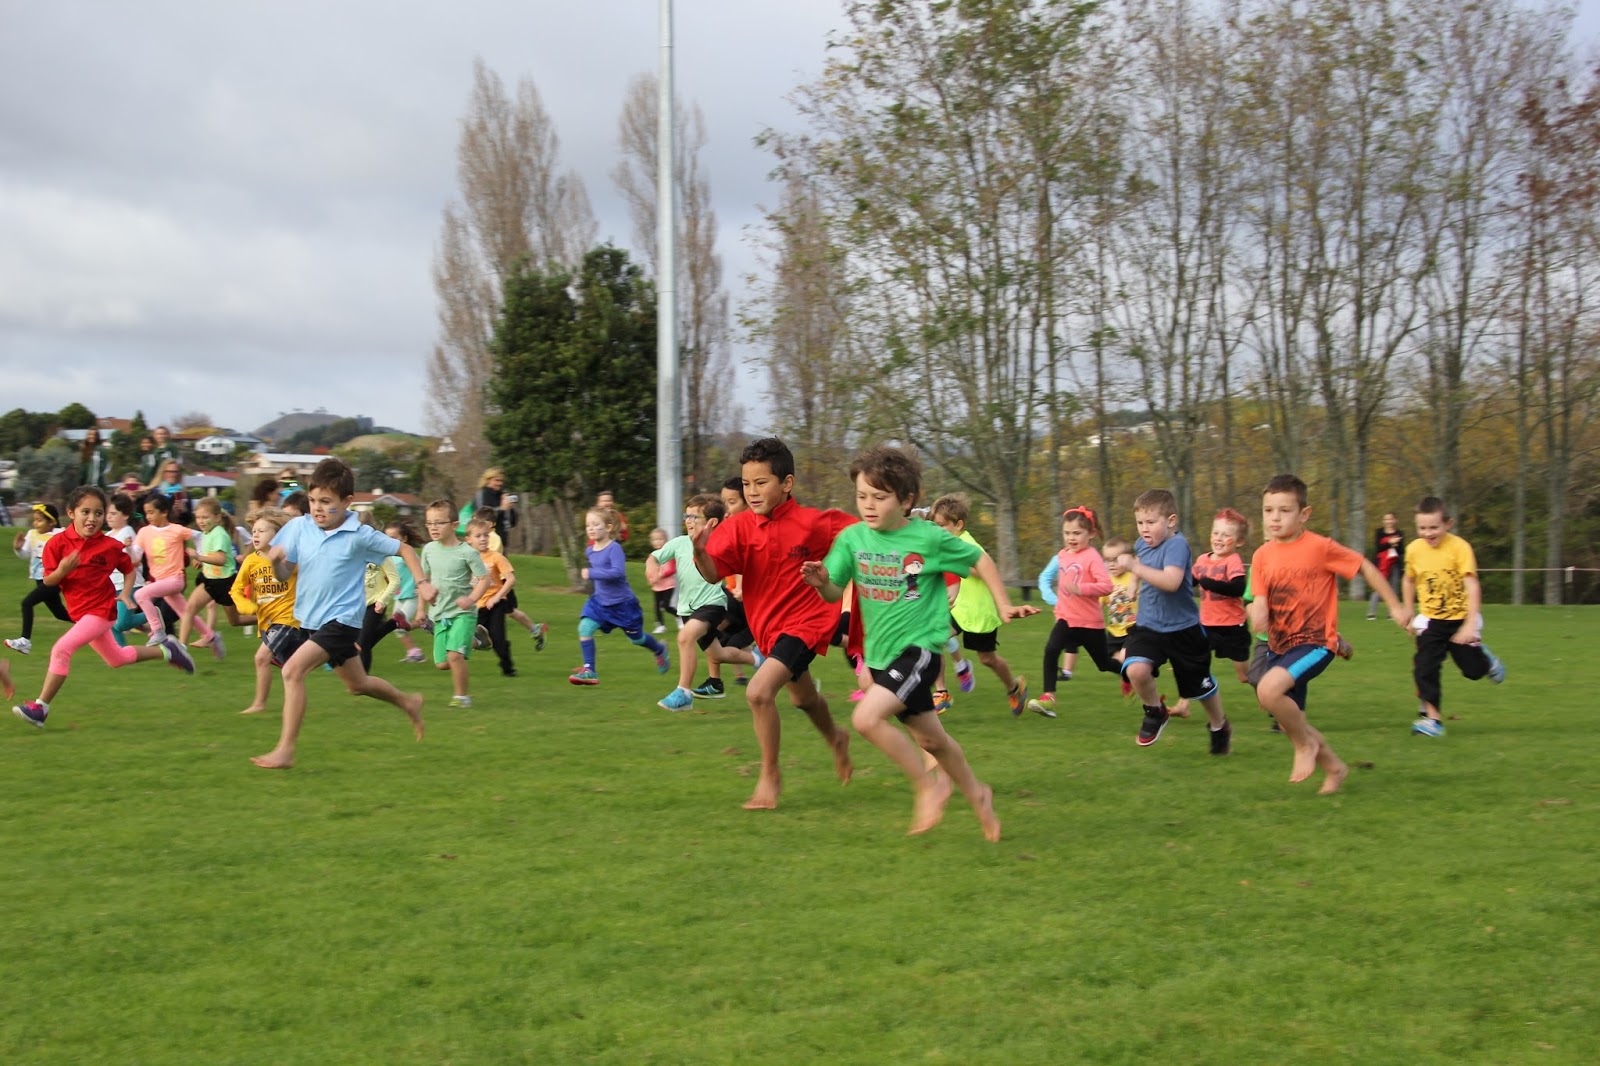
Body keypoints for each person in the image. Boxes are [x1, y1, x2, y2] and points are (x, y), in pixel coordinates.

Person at [803, 446, 1034, 840]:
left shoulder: (928, 537)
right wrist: (822, 582)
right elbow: (834, 591)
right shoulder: (852, 538)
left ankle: (928, 786)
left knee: (865, 719)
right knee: (933, 739)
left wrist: (1004, 604)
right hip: (880, 656)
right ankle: (978, 794)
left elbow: (979, 560)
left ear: (906, 500)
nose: (868, 505)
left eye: (879, 497)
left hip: (920, 649)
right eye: (862, 496)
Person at [692, 437, 856, 810]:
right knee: (804, 699)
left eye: (761, 482)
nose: (751, 492)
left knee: (758, 692)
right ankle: (836, 738)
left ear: (786, 483)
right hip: (767, 629)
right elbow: (713, 573)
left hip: (807, 622)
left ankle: (769, 776)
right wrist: (699, 552)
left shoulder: (814, 523)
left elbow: (867, 533)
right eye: (746, 484)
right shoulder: (736, 528)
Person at [249, 458, 431, 768]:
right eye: (313, 500)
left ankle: (285, 750)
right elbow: (284, 574)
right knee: (357, 685)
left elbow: (405, 550)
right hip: (311, 621)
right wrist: (277, 562)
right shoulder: (299, 527)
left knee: (292, 671)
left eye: (326, 502)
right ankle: (408, 702)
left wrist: (423, 584)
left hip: (342, 621)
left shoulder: (359, 534)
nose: (317, 508)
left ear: (347, 501)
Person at [1249, 474, 1410, 791]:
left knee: (1268, 692)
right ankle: (1335, 768)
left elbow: (1364, 566)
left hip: (1316, 643)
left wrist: (1395, 606)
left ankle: (1305, 747)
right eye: (1268, 510)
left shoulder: (1320, 548)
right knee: (1290, 720)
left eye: (1284, 510)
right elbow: (1260, 602)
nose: (1275, 518)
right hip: (1279, 647)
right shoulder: (1261, 556)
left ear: (1304, 514)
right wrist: (1258, 613)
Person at [11, 487, 195, 727]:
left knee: (61, 649)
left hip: (101, 611)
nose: (92, 518)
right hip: (81, 613)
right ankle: (168, 650)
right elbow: (48, 581)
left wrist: (126, 594)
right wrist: (63, 570)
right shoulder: (57, 544)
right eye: (85, 512)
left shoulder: (109, 546)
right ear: (71, 513)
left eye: (98, 513)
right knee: (116, 658)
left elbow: (129, 569)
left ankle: (41, 708)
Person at [1116, 488, 1231, 753]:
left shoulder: (1177, 545)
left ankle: (1219, 725)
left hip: (1183, 630)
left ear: (1170, 521)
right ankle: (1155, 711)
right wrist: (1133, 584)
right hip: (1148, 626)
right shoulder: (1142, 543)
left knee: (1200, 688)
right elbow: (1141, 560)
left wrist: (1134, 568)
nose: (1144, 529)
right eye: (1140, 522)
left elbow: (1171, 582)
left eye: (1151, 522)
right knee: (1136, 670)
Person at [1404, 496, 1506, 737]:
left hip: (1460, 620)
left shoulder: (1460, 548)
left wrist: (1470, 624)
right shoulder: (1414, 550)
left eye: (1434, 527)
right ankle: (1433, 720)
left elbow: (1472, 584)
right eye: (1422, 528)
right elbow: (1409, 580)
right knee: (1424, 667)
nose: (1428, 533)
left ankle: (1486, 661)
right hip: (1432, 621)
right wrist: (1408, 610)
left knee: (1473, 671)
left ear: (1448, 524)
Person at [928, 493, 1031, 716]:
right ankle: (941, 693)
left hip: (979, 612)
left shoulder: (968, 544)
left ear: (958, 525)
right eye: (934, 525)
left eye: (941, 525)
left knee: (987, 658)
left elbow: (982, 569)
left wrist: (955, 563)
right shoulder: (945, 544)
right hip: (957, 608)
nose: (937, 530)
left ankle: (1015, 688)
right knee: (932, 640)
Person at [1030, 506, 1117, 718]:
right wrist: (1059, 606)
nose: (1071, 538)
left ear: (1091, 533)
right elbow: (1059, 585)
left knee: (1104, 664)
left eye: (1077, 533)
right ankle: (1048, 698)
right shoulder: (1061, 555)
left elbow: (1107, 586)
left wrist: (1081, 589)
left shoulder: (1092, 556)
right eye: (1067, 533)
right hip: (1066, 619)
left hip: (1089, 623)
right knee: (1051, 650)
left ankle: (1134, 673)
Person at [568, 506, 670, 685]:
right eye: (588, 525)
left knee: (637, 639)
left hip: (623, 605)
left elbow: (618, 573)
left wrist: (592, 573)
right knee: (584, 628)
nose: (591, 528)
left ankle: (659, 649)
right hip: (599, 603)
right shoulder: (590, 551)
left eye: (595, 524)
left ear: (608, 527)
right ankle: (590, 670)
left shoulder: (614, 548)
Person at [650, 496, 729, 711]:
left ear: (712, 522)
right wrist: (652, 565)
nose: (688, 520)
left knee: (685, 637)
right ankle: (757, 659)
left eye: (695, 517)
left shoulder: (720, 544)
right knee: (718, 654)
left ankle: (683, 692)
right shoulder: (679, 543)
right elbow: (654, 557)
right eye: (687, 515)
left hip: (713, 604)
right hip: (687, 609)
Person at [420, 500, 492, 707]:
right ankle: (477, 640)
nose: (433, 527)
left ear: (454, 525)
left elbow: (484, 579)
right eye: (429, 523)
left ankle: (461, 698)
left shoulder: (467, 552)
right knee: (442, 663)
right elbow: (423, 581)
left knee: (454, 656)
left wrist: (471, 599)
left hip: (463, 613)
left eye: (439, 523)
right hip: (439, 614)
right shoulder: (428, 550)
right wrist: (420, 610)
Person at [231, 507, 299, 715]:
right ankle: (293, 706)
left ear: (277, 534)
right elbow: (236, 590)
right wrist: (247, 607)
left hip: (288, 619)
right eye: (253, 531)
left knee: (261, 658)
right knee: (292, 669)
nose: (255, 535)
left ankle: (259, 704)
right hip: (266, 622)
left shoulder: (291, 558)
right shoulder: (251, 560)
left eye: (261, 531)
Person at [131, 493, 208, 646]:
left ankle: (157, 631)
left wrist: (200, 556)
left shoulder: (176, 530)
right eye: (146, 513)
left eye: (151, 512)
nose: (148, 516)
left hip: (175, 580)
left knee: (141, 595)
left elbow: (199, 536)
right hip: (160, 580)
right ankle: (210, 635)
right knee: (184, 612)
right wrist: (127, 550)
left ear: (164, 512)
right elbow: (135, 556)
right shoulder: (144, 532)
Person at [176, 497, 241, 658]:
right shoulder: (207, 533)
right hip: (210, 580)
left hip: (225, 582)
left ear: (217, 517)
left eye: (205, 517)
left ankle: (267, 619)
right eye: (198, 517)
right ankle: (181, 649)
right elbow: (211, 555)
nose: (201, 521)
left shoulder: (219, 534)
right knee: (189, 608)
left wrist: (199, 557)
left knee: (235, 621)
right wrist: (202, 562)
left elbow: (221, 559)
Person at [6, 503, 69, 655]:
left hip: (54, 579)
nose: (35, 523)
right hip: (39, 579)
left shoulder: (60, 534)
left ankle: (25, 641)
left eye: (39, 520)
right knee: (59, 613)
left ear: (51, 522)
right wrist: (18, 548)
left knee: (27, 603)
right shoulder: (32, 534)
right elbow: (26, 555)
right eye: (34, 520)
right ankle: (94, 623)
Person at [466, 515, 519, 678]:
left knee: (498, 640)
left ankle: (507, 667)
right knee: (467, 639)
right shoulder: (466, 558)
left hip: (495, 605)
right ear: (468, 540)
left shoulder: (496, 557)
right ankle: (455, 663)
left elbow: (511, 580)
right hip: (476, 607)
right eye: (478, 536)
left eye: (486, 535)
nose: (483, 539)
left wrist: (497, 597)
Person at [1100, 536, 1139, 696]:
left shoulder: (1134, 577)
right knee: (1109, 661)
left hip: (1132, 629)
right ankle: (1129, 678)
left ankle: (1135, 680)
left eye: (1115, 560)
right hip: (1114, 631)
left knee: (1124, 657)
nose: (1111, 564)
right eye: (1107, 560)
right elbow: (1098, 605)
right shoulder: (1106, 582)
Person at [1367, 512, 1405, 620]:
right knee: (1379, 587)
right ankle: (1371, 612)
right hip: (1382, 564)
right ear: (1383, 521)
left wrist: (1396, 544)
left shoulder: (1399, 533)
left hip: (1394, 564)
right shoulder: (1379, 532)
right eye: (1386, 519)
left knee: (1394, 588)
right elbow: (1378, 548)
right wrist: (1390, 542)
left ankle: (1392, 613)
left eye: (1391, 519)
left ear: (1395, 520)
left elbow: (1401, 551)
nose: (1389, 521)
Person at [645, 527, 676, 635]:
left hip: (668, 585)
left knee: (666, 606)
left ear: (665, 540)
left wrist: (659, 575)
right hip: (657, 587)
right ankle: (660, 625)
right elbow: (649, 569)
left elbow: (671, 569)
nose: (657, 542)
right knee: (657, 606)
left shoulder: (668, 554)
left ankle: (679, 617)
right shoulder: (652, 556)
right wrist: (650, 579)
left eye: (660, 539)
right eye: (655, 539)